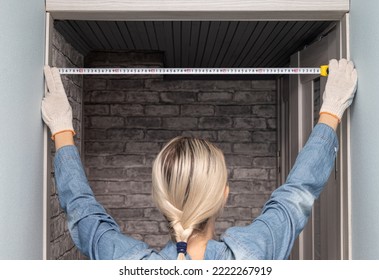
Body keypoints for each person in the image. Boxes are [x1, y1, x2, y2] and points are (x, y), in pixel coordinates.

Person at [41, 59, 357, 260]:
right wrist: (330, 110)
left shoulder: (128, 264)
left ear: (161, 199)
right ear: (223, 196)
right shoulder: (253, 255)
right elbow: (296, 194)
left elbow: (85, 215)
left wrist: (62, 129)